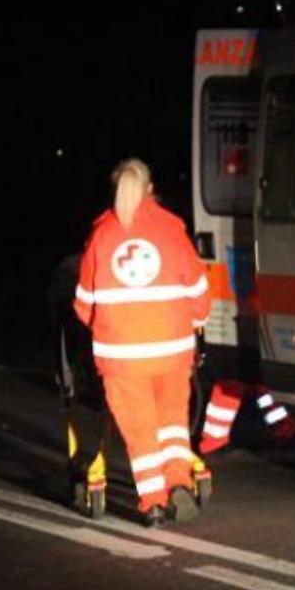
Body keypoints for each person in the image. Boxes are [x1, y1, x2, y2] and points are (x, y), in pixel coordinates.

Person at [73, 158, 210, 527]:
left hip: (122, 355)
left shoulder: (102, 235)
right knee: (172, 422)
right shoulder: (171, 229)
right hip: (172, 349)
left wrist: (104, 328)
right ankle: (179, 482)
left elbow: (83, 303)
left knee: (141, 431)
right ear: (151, 189)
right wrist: (196, 321)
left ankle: (152, 502)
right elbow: (199, 289)